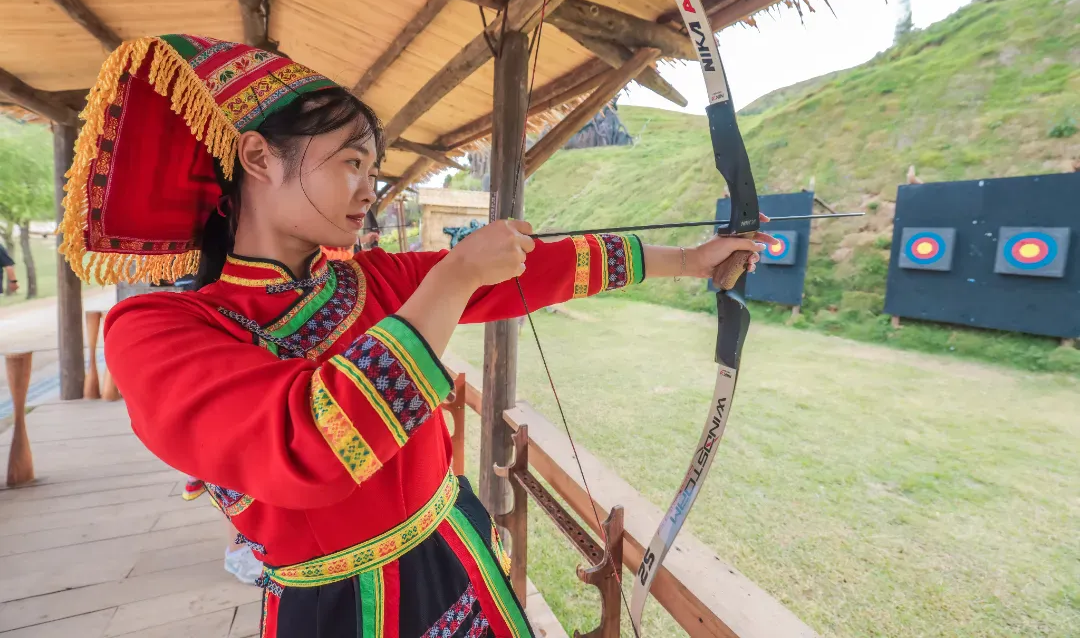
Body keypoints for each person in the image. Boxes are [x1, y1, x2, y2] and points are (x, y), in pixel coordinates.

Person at [57, 35, 773, 638]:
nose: (370, 188)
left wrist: (688, 261)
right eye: (352, 163)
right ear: (258, 157)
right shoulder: (156, 330)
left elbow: (534, 269)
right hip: (335, 609)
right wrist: (455, 276)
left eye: (374, 169)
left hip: (457, 553)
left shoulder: (365, 281)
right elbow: (314, 442)